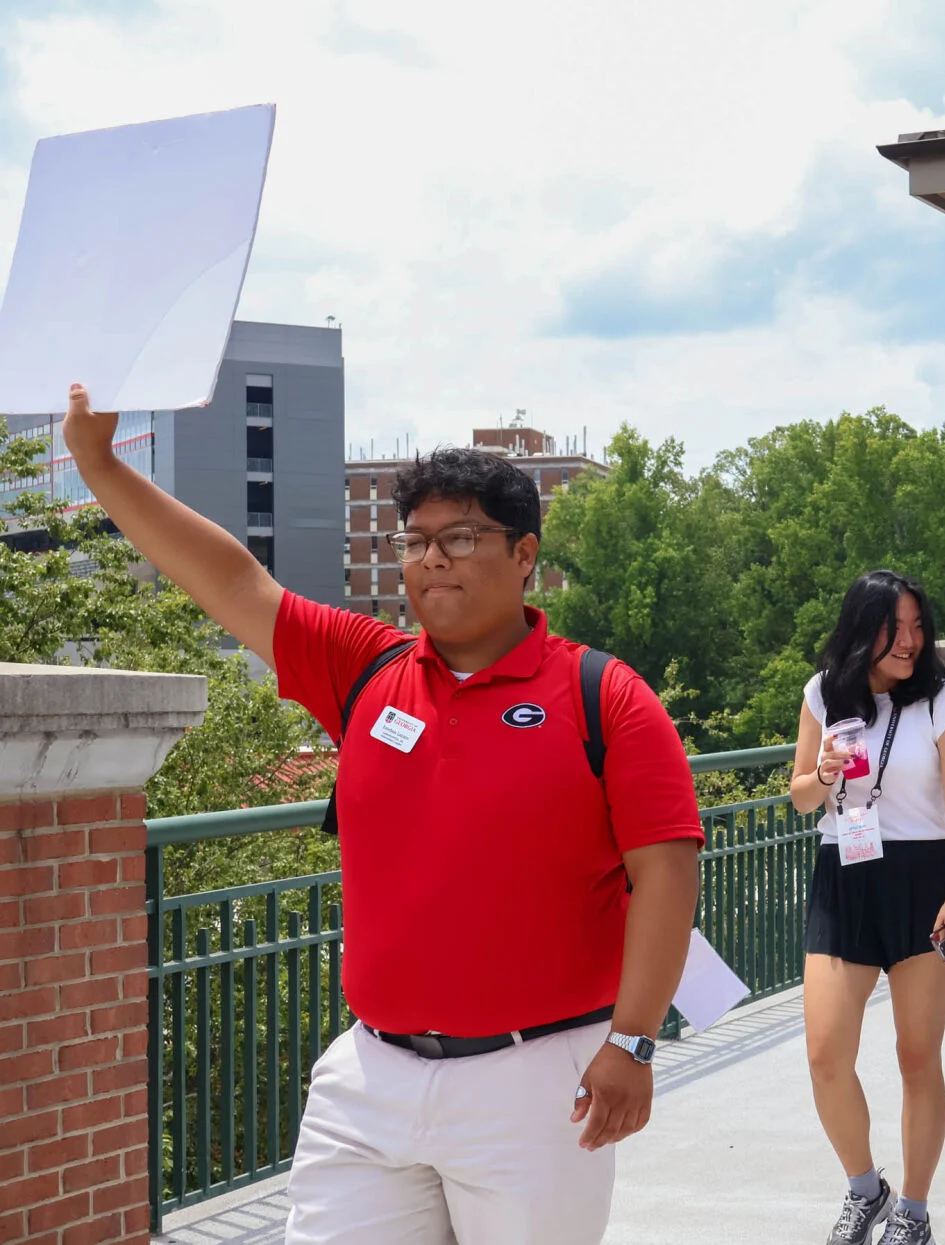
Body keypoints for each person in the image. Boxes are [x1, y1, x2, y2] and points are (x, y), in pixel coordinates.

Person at [61, 386, 704, 1245]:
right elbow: (229, 577)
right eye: (415, 540)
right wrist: (100, 465)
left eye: (462, 537)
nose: (432, 557)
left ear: (525, 555)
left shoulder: (603, 695)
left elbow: (666, 868)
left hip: (539, 1079)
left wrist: (634, 1042)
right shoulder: (365, 670)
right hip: (370, 1077)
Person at [790, 570, 945, 1245]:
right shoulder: (822, 691)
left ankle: (915, 1213)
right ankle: (866, 1187)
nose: (908, 640)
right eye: (893, 626)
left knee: (917, 1054)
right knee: (824, 1053)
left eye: (916, 626)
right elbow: (802, 796)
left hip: (924, 878)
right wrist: (824, 772)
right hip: (844, 872)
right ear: (860, 626)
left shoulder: (944, 699)